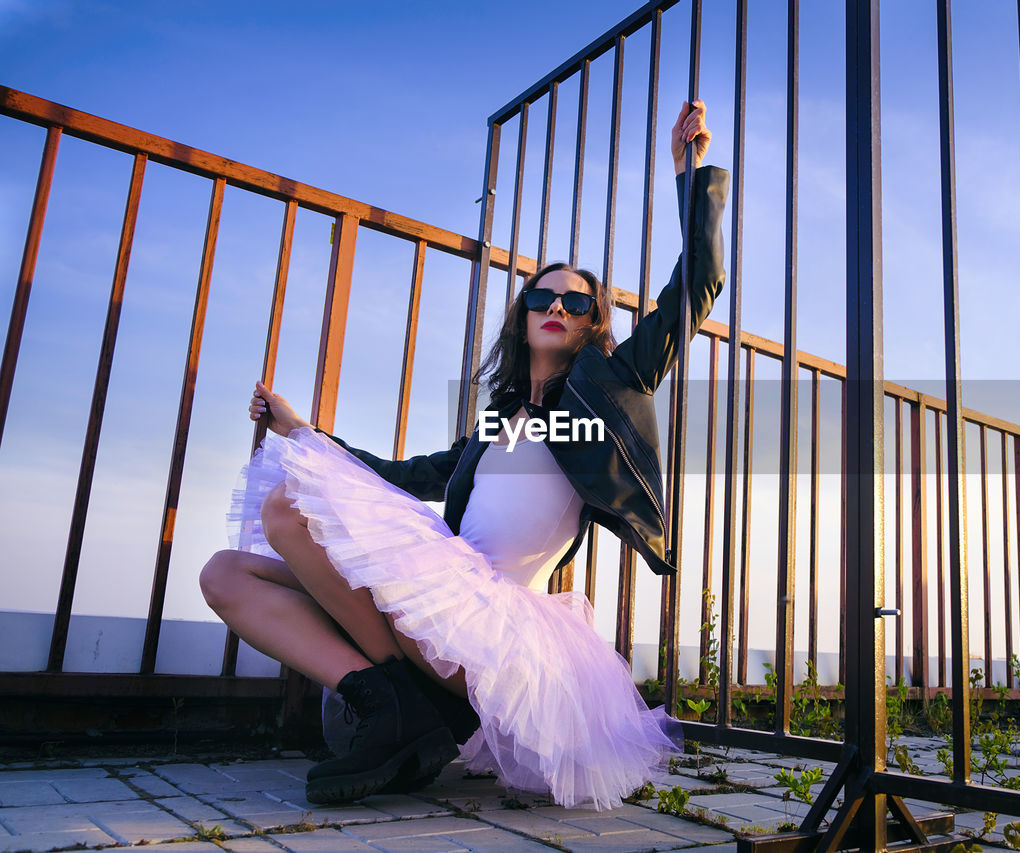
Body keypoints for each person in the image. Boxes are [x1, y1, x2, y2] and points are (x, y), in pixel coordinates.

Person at [200, 100, 725, 811]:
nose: (557, 308)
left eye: (577, 304)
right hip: (436, 600)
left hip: (494, 631)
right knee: (228, 570)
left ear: (594, 325)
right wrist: (300, 430)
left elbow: (693, 290)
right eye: (545, 294)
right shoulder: (496, 422)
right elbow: (401, 476)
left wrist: (689, 170)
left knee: (288, 507)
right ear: (523, 310)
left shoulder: (607, 389)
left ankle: (402, 708)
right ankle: (389, 703)